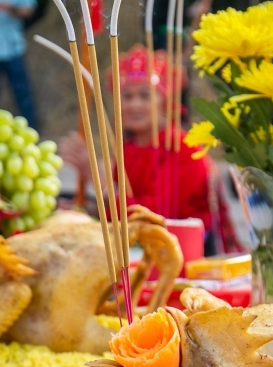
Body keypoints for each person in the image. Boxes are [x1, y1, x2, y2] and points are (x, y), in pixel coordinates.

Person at [57, 45, 237, 253]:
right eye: (127, 97)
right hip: (144, 249)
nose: (134, 105)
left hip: (191, 254)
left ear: (164, 102)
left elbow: (155, 215)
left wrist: (98, 179)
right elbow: (119, 215)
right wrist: (83, 212)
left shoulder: (182, 148)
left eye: (145, 96)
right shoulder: (126, 149)